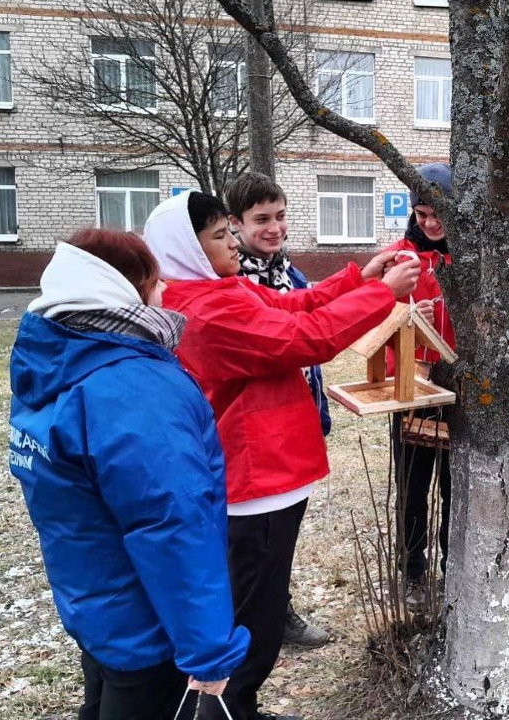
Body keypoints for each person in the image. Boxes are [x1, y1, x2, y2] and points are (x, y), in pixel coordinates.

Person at [143, 190, 419, 720]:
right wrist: (381, 294)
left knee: (256, 606)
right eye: (221, 236)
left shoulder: (215, 290)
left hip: (267, 475)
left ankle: (237, 704)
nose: (233, 243)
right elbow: (305, 336)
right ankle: (227, 707)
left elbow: (290, 304)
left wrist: (359, 278)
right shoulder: (208, 308)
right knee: (254, 617)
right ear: (189, 248)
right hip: (256, 481)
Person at [9, 229, 249, 720]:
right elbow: (172, 524)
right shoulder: (133, 388)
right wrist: (208, 652)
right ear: (126, 289)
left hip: (96, 606)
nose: (164, 293)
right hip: (148, 629)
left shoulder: (53, 359)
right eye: (155, 282)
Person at [227, 171, 331, 650]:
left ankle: (276, 608)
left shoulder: (289, 273)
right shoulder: (232, 282)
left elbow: (311, 318)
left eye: (281, 216)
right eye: (261, 219)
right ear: (235, 224)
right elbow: (298, 337)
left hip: (294, 421)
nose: (274, 227)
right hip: (254, 434)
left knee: (281, 534)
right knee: (253, 542)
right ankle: (251, 621)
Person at [385, 162, 456, 607]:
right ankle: (412, 571)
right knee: (412, 484)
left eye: (437, 213)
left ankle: (454, 567)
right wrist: (404, 317)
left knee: (454, 485)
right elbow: (370, 319)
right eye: (421, 213)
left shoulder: (471, 256)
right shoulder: (399, 256)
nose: (429, 222)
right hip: (411, 383)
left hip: (458, 388)